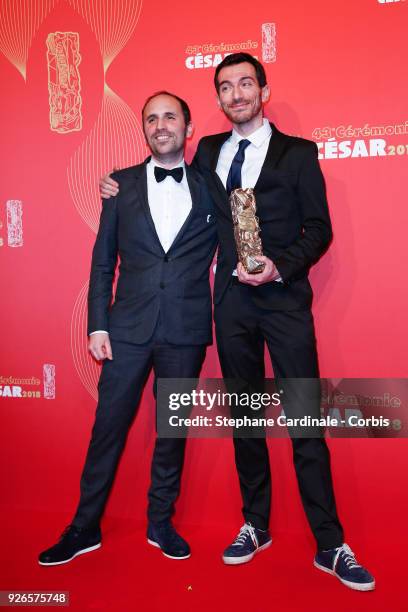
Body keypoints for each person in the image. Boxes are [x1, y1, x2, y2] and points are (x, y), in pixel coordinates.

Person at [98, 54, 374, 591]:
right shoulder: (207, 153)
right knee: (246, 421)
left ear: (263, 90)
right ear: (219, 100)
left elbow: (319, 229)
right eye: (225, 87)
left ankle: (330, 542)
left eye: (246, 83)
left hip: (283, 300)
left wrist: (280, 266)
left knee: (304, 423)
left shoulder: (298, 154)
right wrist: (118, 184)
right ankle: (256, 523)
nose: (236, 93)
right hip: (230, 307)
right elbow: (163, 174)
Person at [38, 92, 217, 566]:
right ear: (144, 129)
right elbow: (102, 264)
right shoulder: (119, 185)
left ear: (188, 126)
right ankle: (84, 527)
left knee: (171, 432)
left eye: (170, 117)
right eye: (152, 119)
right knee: (107, 429)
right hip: (126, 330)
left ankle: (160, 522)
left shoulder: (212, 186)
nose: (161, 126)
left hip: (185, 330)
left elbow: (242, 239)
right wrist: (98, 324)